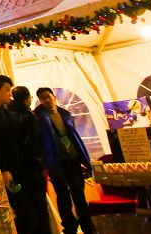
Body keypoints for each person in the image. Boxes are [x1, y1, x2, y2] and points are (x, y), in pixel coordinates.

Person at [0, 74, 44, 234]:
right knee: (28, 217)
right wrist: (3, 168)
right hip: (7, 172)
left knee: (35, 215)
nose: (9, 94)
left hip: (20, 168)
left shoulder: (4, 109)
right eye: (6, 90)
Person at [34, 87, 94, 234]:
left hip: (72, 159)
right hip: (55, 161)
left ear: (54, 97)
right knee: (63, 195)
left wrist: (84, 159)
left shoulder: (65, 114)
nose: (46, 100)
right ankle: (70, 227)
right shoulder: (38, 118)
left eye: (48, 96)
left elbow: (75, 137)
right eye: (43, 98)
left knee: (78, 193)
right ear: (40, 101)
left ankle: (87, 225)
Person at [6, 86, 51, 234]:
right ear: (27, 99)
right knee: (40, 208)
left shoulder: (5, 114)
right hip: (32, 169)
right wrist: (39, 162)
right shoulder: (29, 116)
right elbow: (34, 144)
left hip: (15, 171)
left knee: (25, 211)